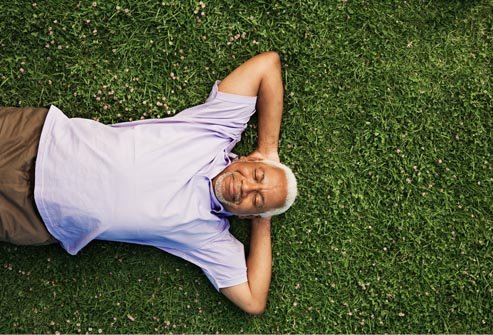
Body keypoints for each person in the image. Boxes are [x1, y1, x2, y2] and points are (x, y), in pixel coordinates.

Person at [0, 51, 297, 315]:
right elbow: (267, 65)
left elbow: (253, 301)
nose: (247, 188)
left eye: (256, 201)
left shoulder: (209, 237)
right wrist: (269, 149)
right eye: (257, 176)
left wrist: (262, 222)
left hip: (32, 215)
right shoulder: (216, 128)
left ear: (249, 215)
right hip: (34, 138)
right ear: (248, 160)